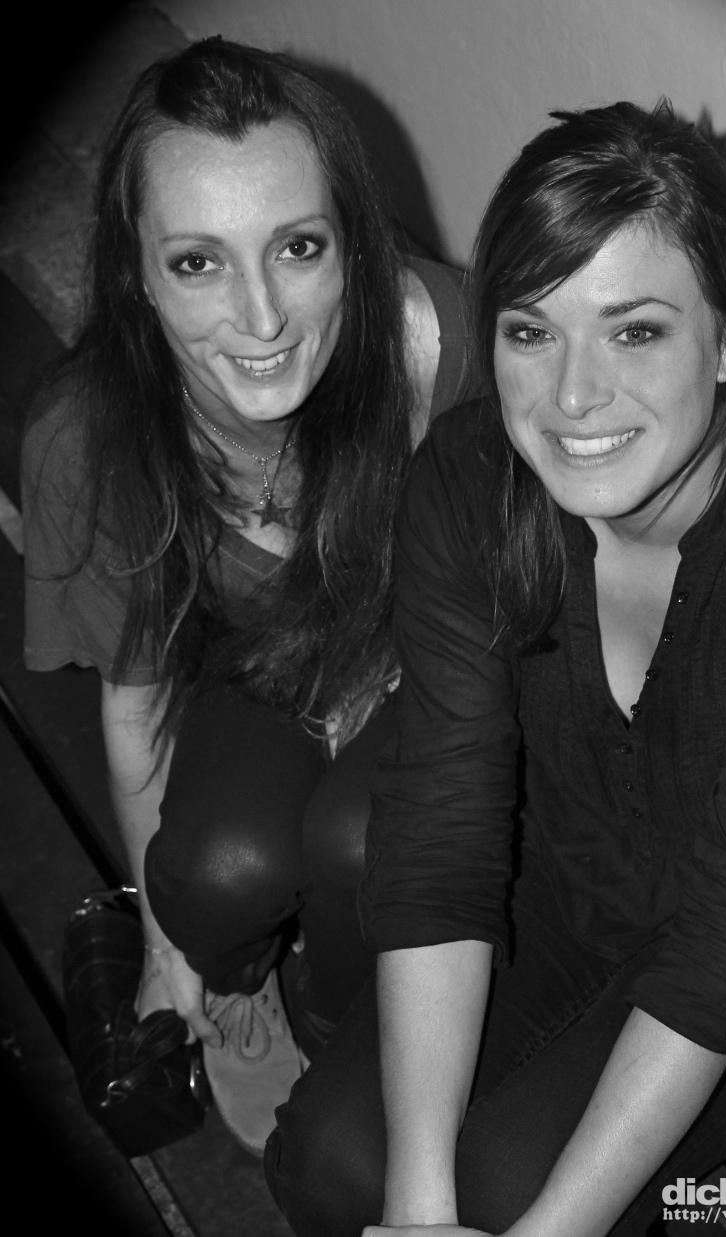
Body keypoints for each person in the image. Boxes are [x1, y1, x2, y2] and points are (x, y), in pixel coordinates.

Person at [263, 100, 726, 1235]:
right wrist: (418, 1209)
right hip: (563, 865)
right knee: (330, 1163)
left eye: (634, 331)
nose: (572, 396)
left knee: (516, 1194)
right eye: (530, 332)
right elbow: (444, 828)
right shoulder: (464, 482)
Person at [20, 37, 480, 1156]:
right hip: (264, 665)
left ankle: (336, 1028)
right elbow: (135, 705)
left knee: (368, 844)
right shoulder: (88, 443)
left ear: (353, 242)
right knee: (220, 874)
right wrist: (169, 957)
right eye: (198, 263)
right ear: (135, 272)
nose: (263, 317)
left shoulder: (451, 350)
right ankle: (243, 984)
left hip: (440, 657)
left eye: (298, 246)